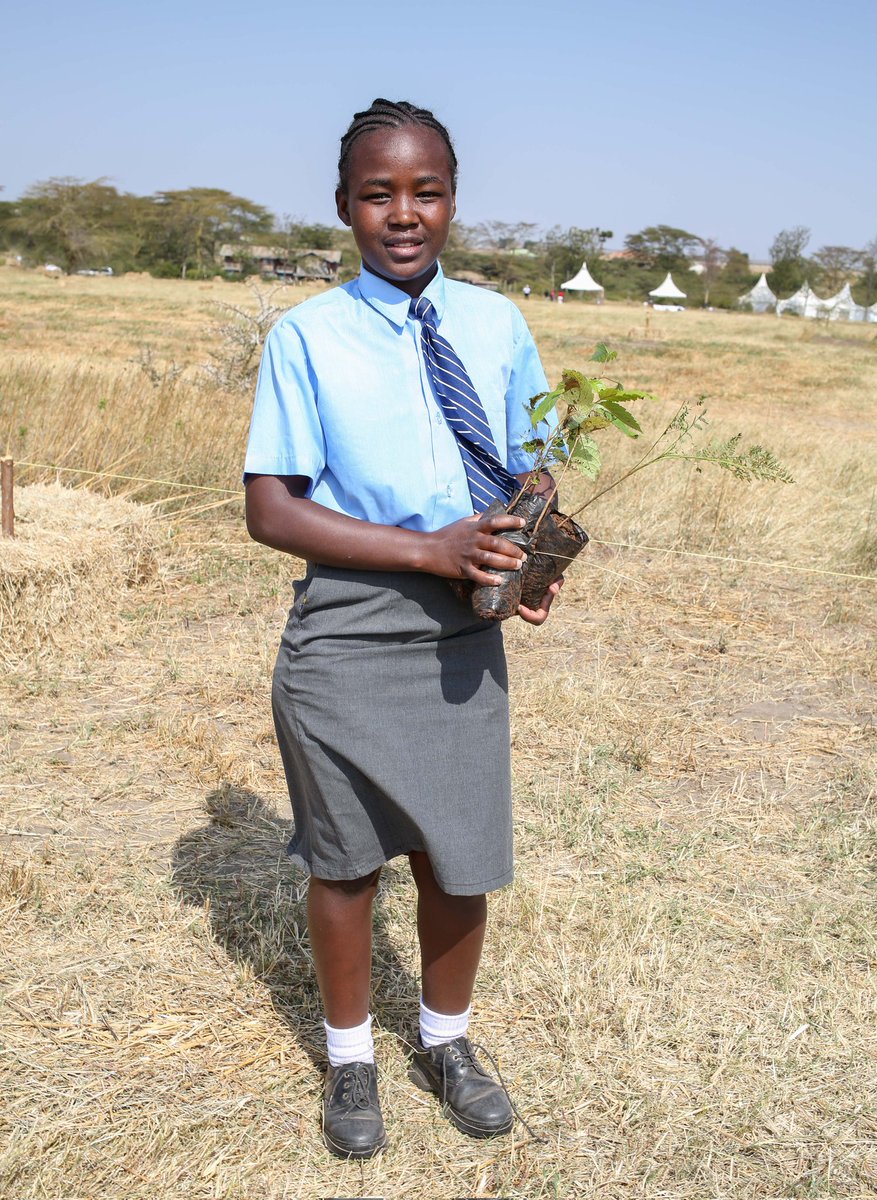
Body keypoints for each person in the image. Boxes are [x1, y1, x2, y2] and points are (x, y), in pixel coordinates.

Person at [243, 98, 561, 1160]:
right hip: (345, 629)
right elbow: (271, 508)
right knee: (345, 862)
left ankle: (445, 1041)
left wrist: (529, 541)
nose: (403, 213)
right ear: (344, 207)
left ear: (453, 202)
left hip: (461, 633)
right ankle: (348, 1059)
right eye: (378, 194)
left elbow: (534, 457)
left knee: (456, 859)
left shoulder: (496, 324)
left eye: (425, 191)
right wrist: (427, 549)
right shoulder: (308, 336)